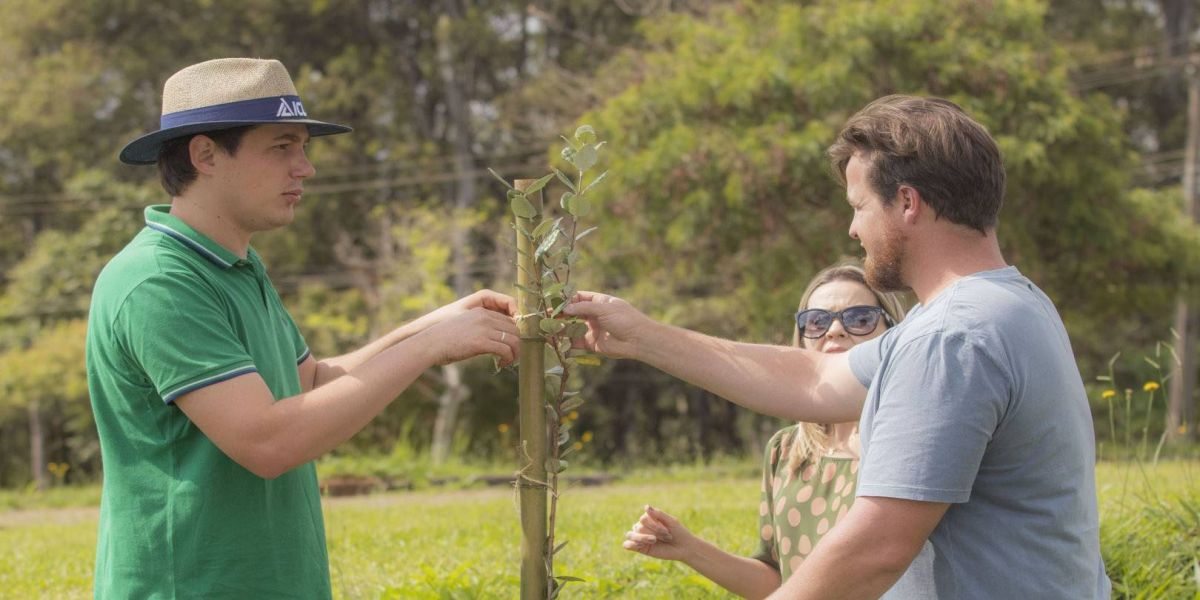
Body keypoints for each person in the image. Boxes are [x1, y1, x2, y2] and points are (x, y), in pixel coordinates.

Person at [566, 95, 1110, 598]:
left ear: (907, 202)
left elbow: (875, 548)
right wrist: (641, 336)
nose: (853, 230)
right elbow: (813, 379)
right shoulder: (1009, 305)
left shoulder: (951, 338)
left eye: (858, 206)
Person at [86, 58, 520, 599]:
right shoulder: (158, 280)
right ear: (205, 154)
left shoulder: (237, 265)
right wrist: (427, 348)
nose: (305, 168)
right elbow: (267, 441)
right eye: (282, 147)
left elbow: (310, 383)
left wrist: (436, 325)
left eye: (304, 148)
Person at [622, 263, 905, 599]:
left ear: (892, 330)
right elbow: (777, 582)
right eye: (817, 321)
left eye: (860, 318)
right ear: (801, 337)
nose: (835, 331)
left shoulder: (903, 439)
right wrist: (689, 548)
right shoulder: (786, 451)